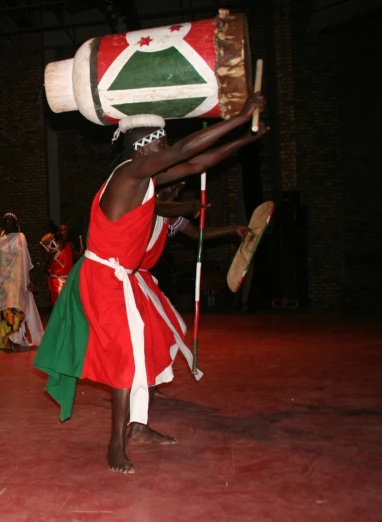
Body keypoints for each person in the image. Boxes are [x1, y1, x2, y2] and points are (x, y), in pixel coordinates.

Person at [33, 94, 269, 474]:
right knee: (125, 356)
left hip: (121, 278)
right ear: (145, 146)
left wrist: (245, 139)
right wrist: (240, 117)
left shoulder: (145, 177)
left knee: (145, 348)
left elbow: (196, 161)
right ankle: (116, 443)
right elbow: (184, 150)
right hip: (105, 278)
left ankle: (138, 427)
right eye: (161, 142)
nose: (166, 148)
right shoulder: (128, 173)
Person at [146, 182, 252, 395]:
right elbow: (159, 207)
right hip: (122, 275)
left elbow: (196, 234)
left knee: (166, 327)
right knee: (138, 333)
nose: (177, 192)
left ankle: (149, 381)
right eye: (174, 188)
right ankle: (130, 386)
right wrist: (191, 205)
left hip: (142, 277)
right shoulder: (145, 203)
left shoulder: (170, 215)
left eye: (180, 189)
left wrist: (232, 229)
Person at [0, 186, 44, 352]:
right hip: (3, 281)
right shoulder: (0, 235)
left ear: (16, 223)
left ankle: (16, 338)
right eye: (5, 220)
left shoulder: (21, 238)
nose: (6, 222)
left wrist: (32, 282)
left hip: (18, 281)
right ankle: (8, 339)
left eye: (9, 220)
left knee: (17, 309)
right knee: (7, 308)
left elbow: (27, 261)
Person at [44, 224, 83, 305]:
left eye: (66, 230)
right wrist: (49, 258)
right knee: (60, 306)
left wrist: (82, 254)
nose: (65, 232)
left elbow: (79, 258)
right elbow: (45, 269)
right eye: (63, 230)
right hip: (57, 282)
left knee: (70, 305)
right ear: (58, 233)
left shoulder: (70, 245)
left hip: (68, 280)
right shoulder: (53, 247)